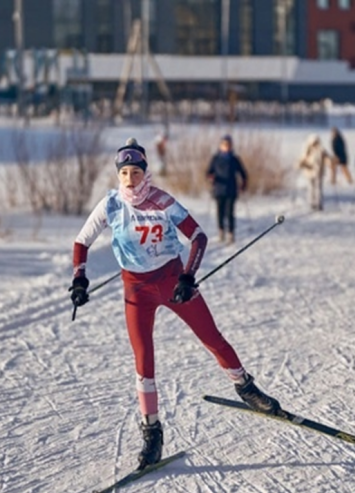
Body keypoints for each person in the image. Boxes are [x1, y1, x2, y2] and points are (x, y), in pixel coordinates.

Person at [70, 138, 280, 470]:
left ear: (145, 173)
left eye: (135, 172)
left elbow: (198, 236)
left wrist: (187, 276)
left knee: (211, 337)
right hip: (136, 291)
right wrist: (79, 278)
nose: (129, 179)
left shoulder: (163, 201)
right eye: (123, 173)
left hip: (171, 281)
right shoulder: (110, 205)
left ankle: (246, 387)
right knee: (143, 360)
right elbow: (82, 241)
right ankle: (152, 432)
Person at [205, 135, 248, 244]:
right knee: (220, 212)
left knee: (230, 212)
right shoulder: (216, 158)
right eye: (224, 145)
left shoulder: (234, 159)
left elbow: (243, 173)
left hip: (231, 190)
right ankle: (221, 231)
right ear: (221, 146)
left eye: (228, 145)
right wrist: (211, 177)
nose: (227, 147)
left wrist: (243, 185)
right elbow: (208, 172)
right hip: (219, 189)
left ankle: (231, 233)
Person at [298, 134, 330, 211]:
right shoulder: (307, 150)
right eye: (314, 142)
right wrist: (301, 164)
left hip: (318, 172)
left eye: (316, 141)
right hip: (309, 172)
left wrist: (329, 163)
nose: (315, 143)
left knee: (318, 189)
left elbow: (327, 159)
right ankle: (312, 203)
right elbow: (302, 159)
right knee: (311, 188)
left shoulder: (321, 150)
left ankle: (318, 203)